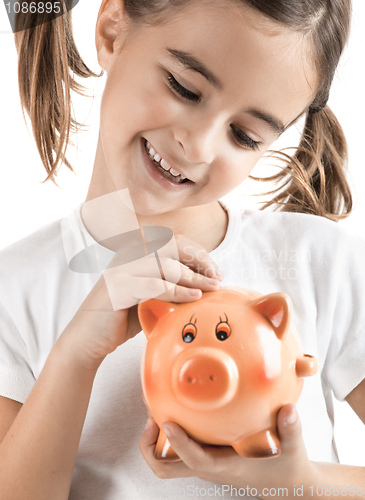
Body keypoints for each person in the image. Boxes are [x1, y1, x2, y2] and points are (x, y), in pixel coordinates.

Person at [0, 0, 364, 499]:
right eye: (185, 88)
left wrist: (299, 484)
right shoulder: (14, 288)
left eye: (243, 135)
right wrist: (76, 354)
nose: (198, 146)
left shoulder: (322, 265)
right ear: (111, 31)